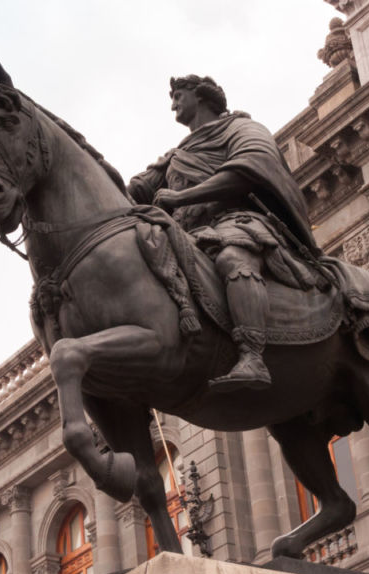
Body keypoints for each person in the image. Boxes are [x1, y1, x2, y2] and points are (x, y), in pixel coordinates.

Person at [128, 75, 326, 392]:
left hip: (238, 220)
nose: (173, 103)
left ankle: (252, 355)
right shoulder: (176, 155)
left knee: (233, 258)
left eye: (179, 95)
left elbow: (249, 168)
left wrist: (180, 198)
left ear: (202, 96)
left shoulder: (242, 129)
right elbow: (137, 189)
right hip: (190, 234)